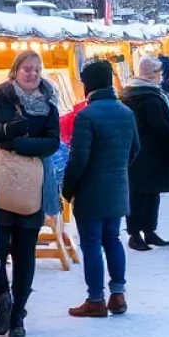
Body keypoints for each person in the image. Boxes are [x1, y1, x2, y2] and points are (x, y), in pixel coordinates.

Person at [0, 50, 61, 337]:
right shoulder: (0, 95)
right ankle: (3, 296)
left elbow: (52, 142)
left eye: (37, 69)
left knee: (25, 253)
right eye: (27, 69)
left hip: (32, 184)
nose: (32, 74)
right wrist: (6, 130)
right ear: (15, 70)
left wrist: (21, 145)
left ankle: (18, 313)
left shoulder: (49, 100)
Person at [62, 60, 140, 318]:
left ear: (89, 85)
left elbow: (79, 158)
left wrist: (68, 189)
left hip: (91, 190)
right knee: (113, 239)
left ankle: (95, 299)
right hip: (118, 186)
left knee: (92, 243)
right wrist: (118, 168)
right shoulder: (126, 112)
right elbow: (135, 148)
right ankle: (118, 295)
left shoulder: (87, 115)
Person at [121, 56, 169, 251]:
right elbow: (161, 126)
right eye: (158, 72)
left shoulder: (133, 92)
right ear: (151, 74)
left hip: (142, 151)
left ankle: (148, 231)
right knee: (141, 194)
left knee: (149, 192)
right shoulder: (148, 96)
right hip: (150, 151)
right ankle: (136, 233)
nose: (160, 76)